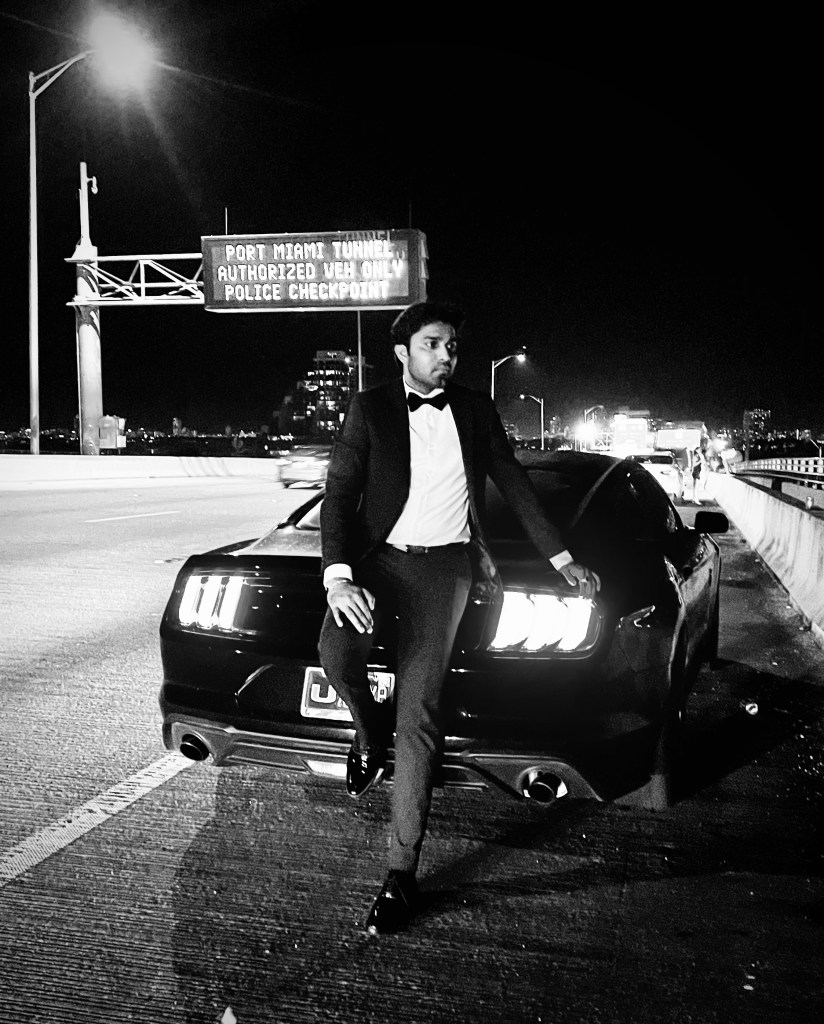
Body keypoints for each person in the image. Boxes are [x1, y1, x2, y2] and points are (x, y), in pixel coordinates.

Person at [318, 300, 601, 935]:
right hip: (376, 561)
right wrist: (339, 577)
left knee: (419, 713)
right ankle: (367, 735)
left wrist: (561, 558)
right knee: (336, 655)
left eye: (451, 346)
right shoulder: (369, 409)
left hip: (442, 571)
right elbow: (339, 495)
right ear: (403, 351)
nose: (446, 355)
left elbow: (515, 483)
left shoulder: (474, 409)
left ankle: (401, 873)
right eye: (433, 344)